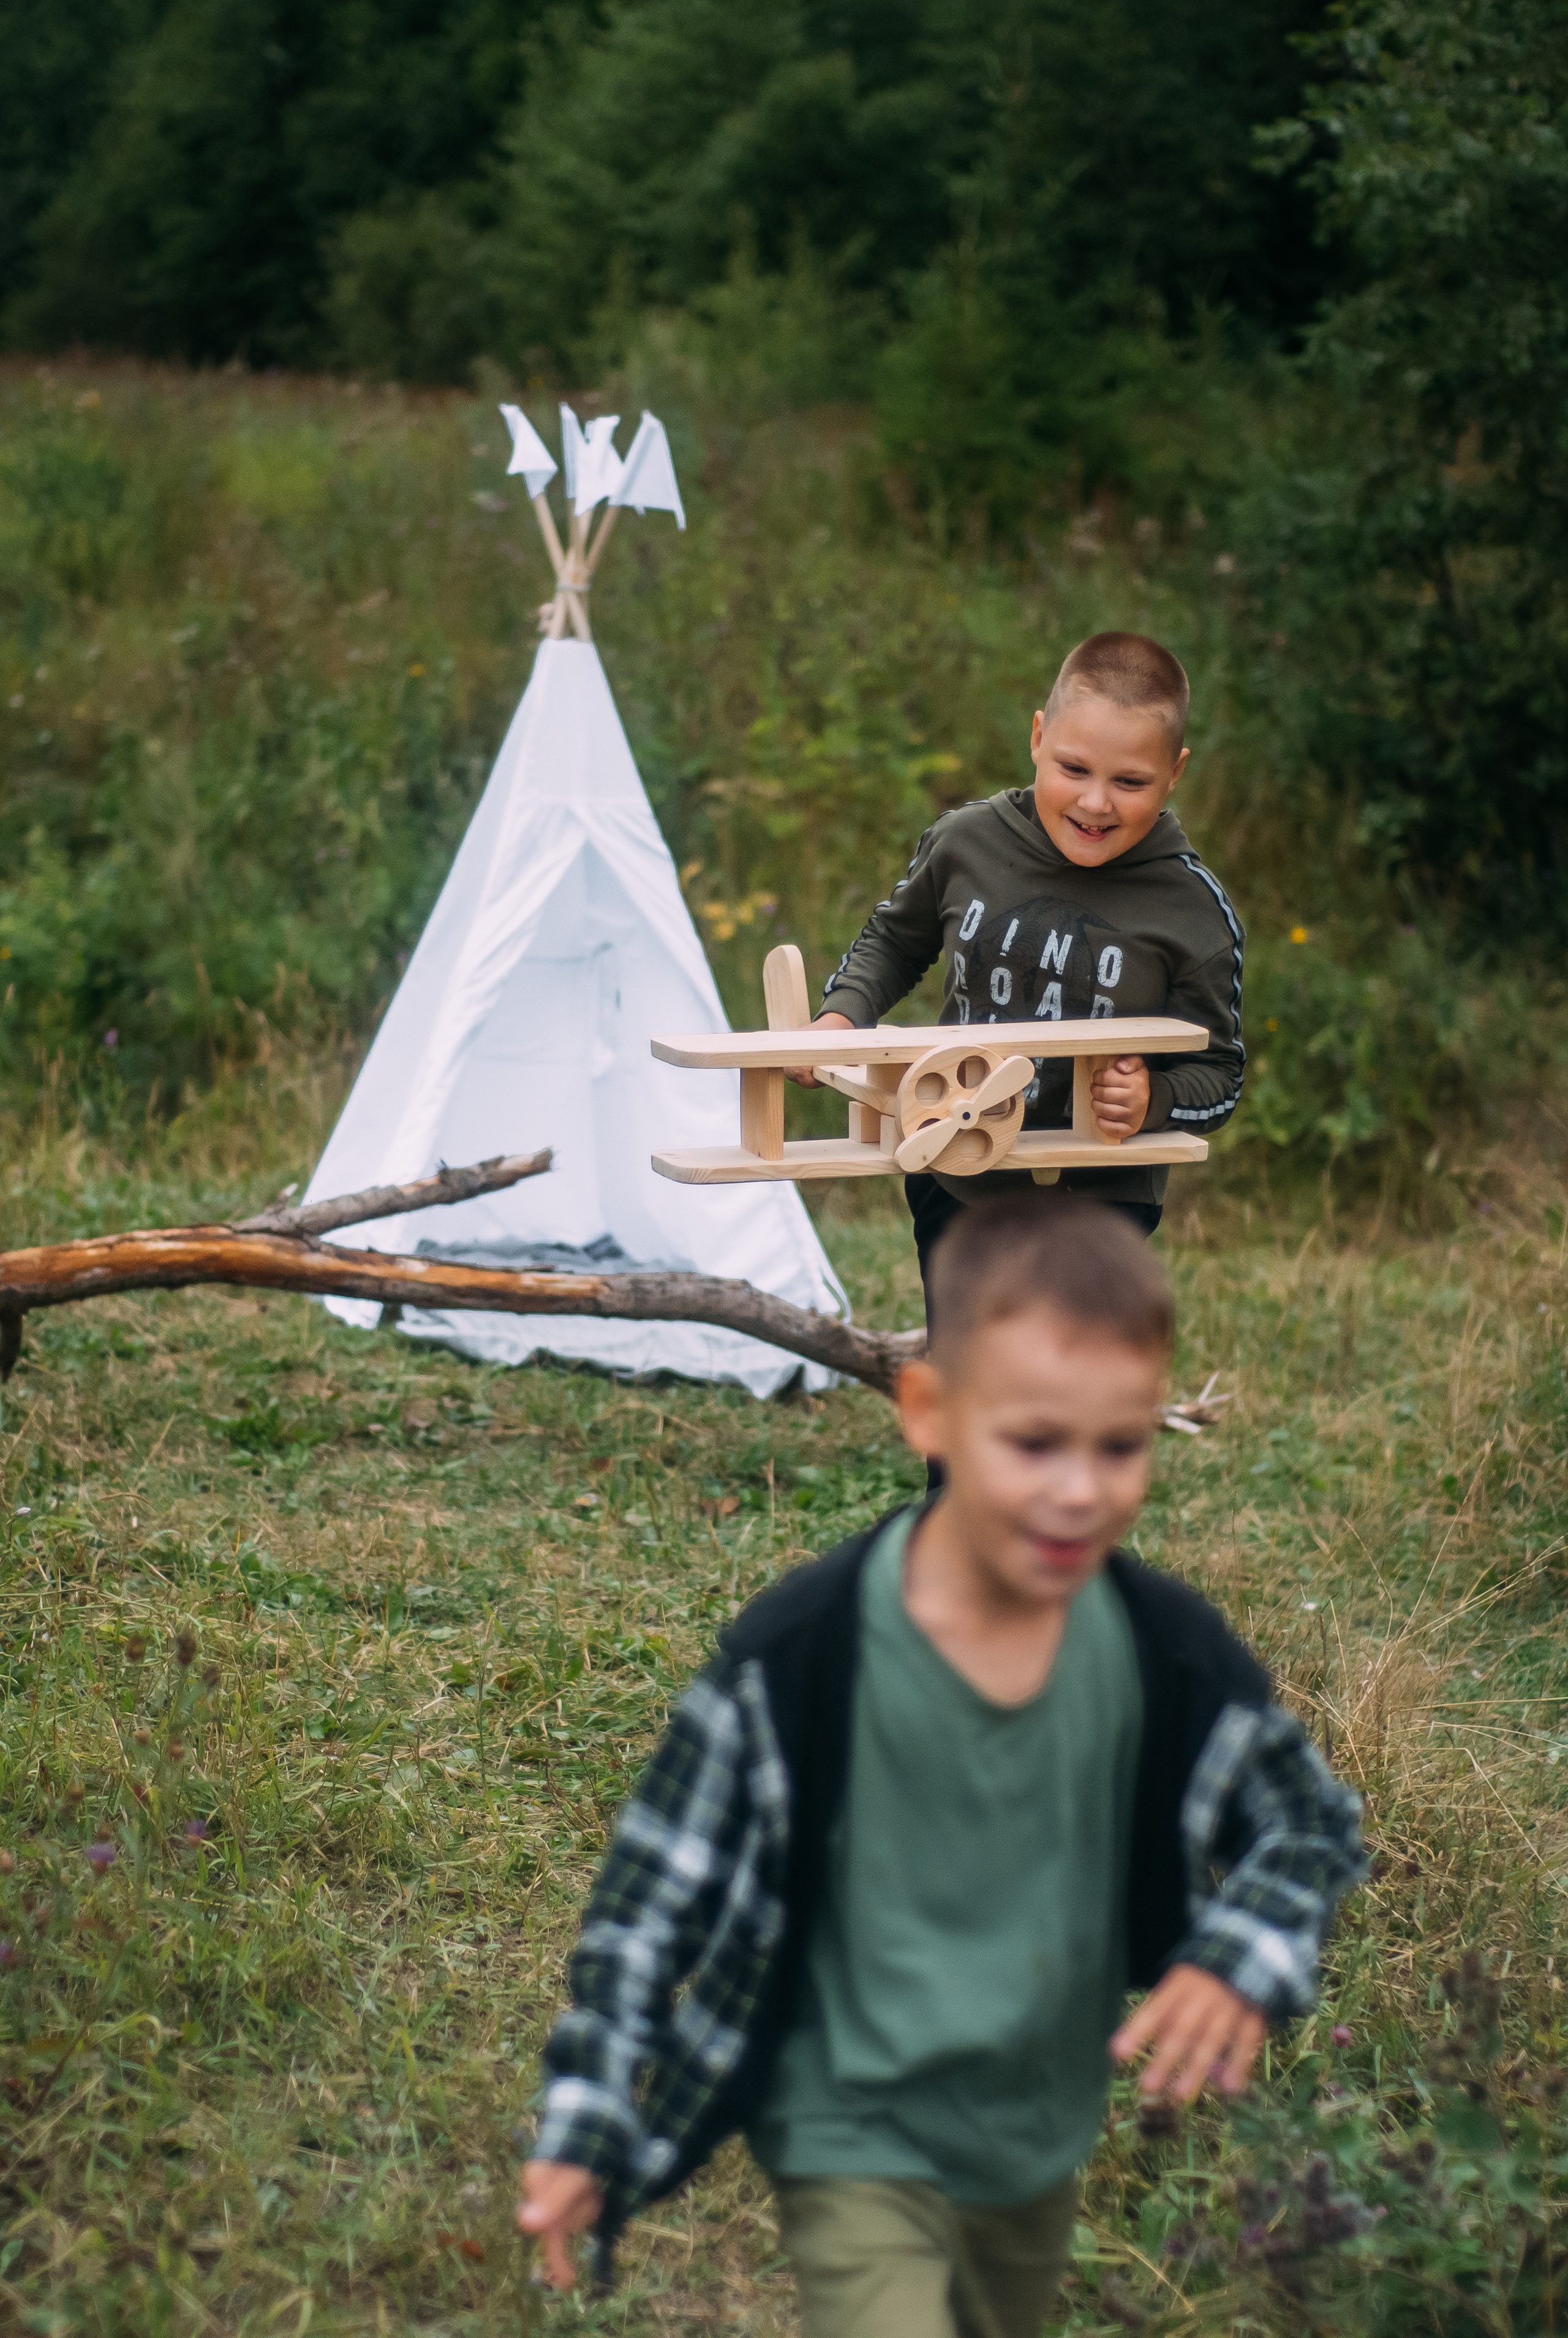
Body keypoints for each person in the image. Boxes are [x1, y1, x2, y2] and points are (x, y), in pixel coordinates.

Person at [518, 1197, 1363, 2337]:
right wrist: (589, 2113)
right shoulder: (803, 1658)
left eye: (1121, 1445)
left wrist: (1240, 1952)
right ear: (928, 1413)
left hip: (1031, 2132)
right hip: (846, 2121)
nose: (1080, 1489)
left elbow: (1307, 1823)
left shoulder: (1160, 1651)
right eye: (1034, 1442)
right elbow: (647, 1903)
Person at [793, 630, 1245, 1317]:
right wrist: (842, 1014)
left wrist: (1153, 1097)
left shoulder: (1191, 913)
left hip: (1102, 1203)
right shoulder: (966, 843)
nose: (1095, 803)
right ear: (1038, 737)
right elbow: (895, 939)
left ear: (1174, 772)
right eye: (1073, 768)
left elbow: (1220, 1077)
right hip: (957, 1167)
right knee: (969, 1370)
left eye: (1129, 782)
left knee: (1066, 1381)